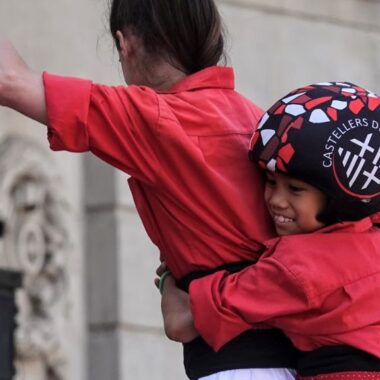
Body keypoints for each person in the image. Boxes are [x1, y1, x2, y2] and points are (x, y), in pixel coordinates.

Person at [0, 1, 298, 379]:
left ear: (126, 45)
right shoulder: (258, 119)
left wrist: (171, 284)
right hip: (297, 362)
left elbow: (9, 80)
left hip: (235, 367)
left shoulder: (154, 118)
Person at [158, 82, 380, 379]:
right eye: (270, 181)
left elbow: (180, 323)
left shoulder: (297, 270)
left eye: (296, 189)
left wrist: (170, 276)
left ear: (339, 198)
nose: (276, 200)